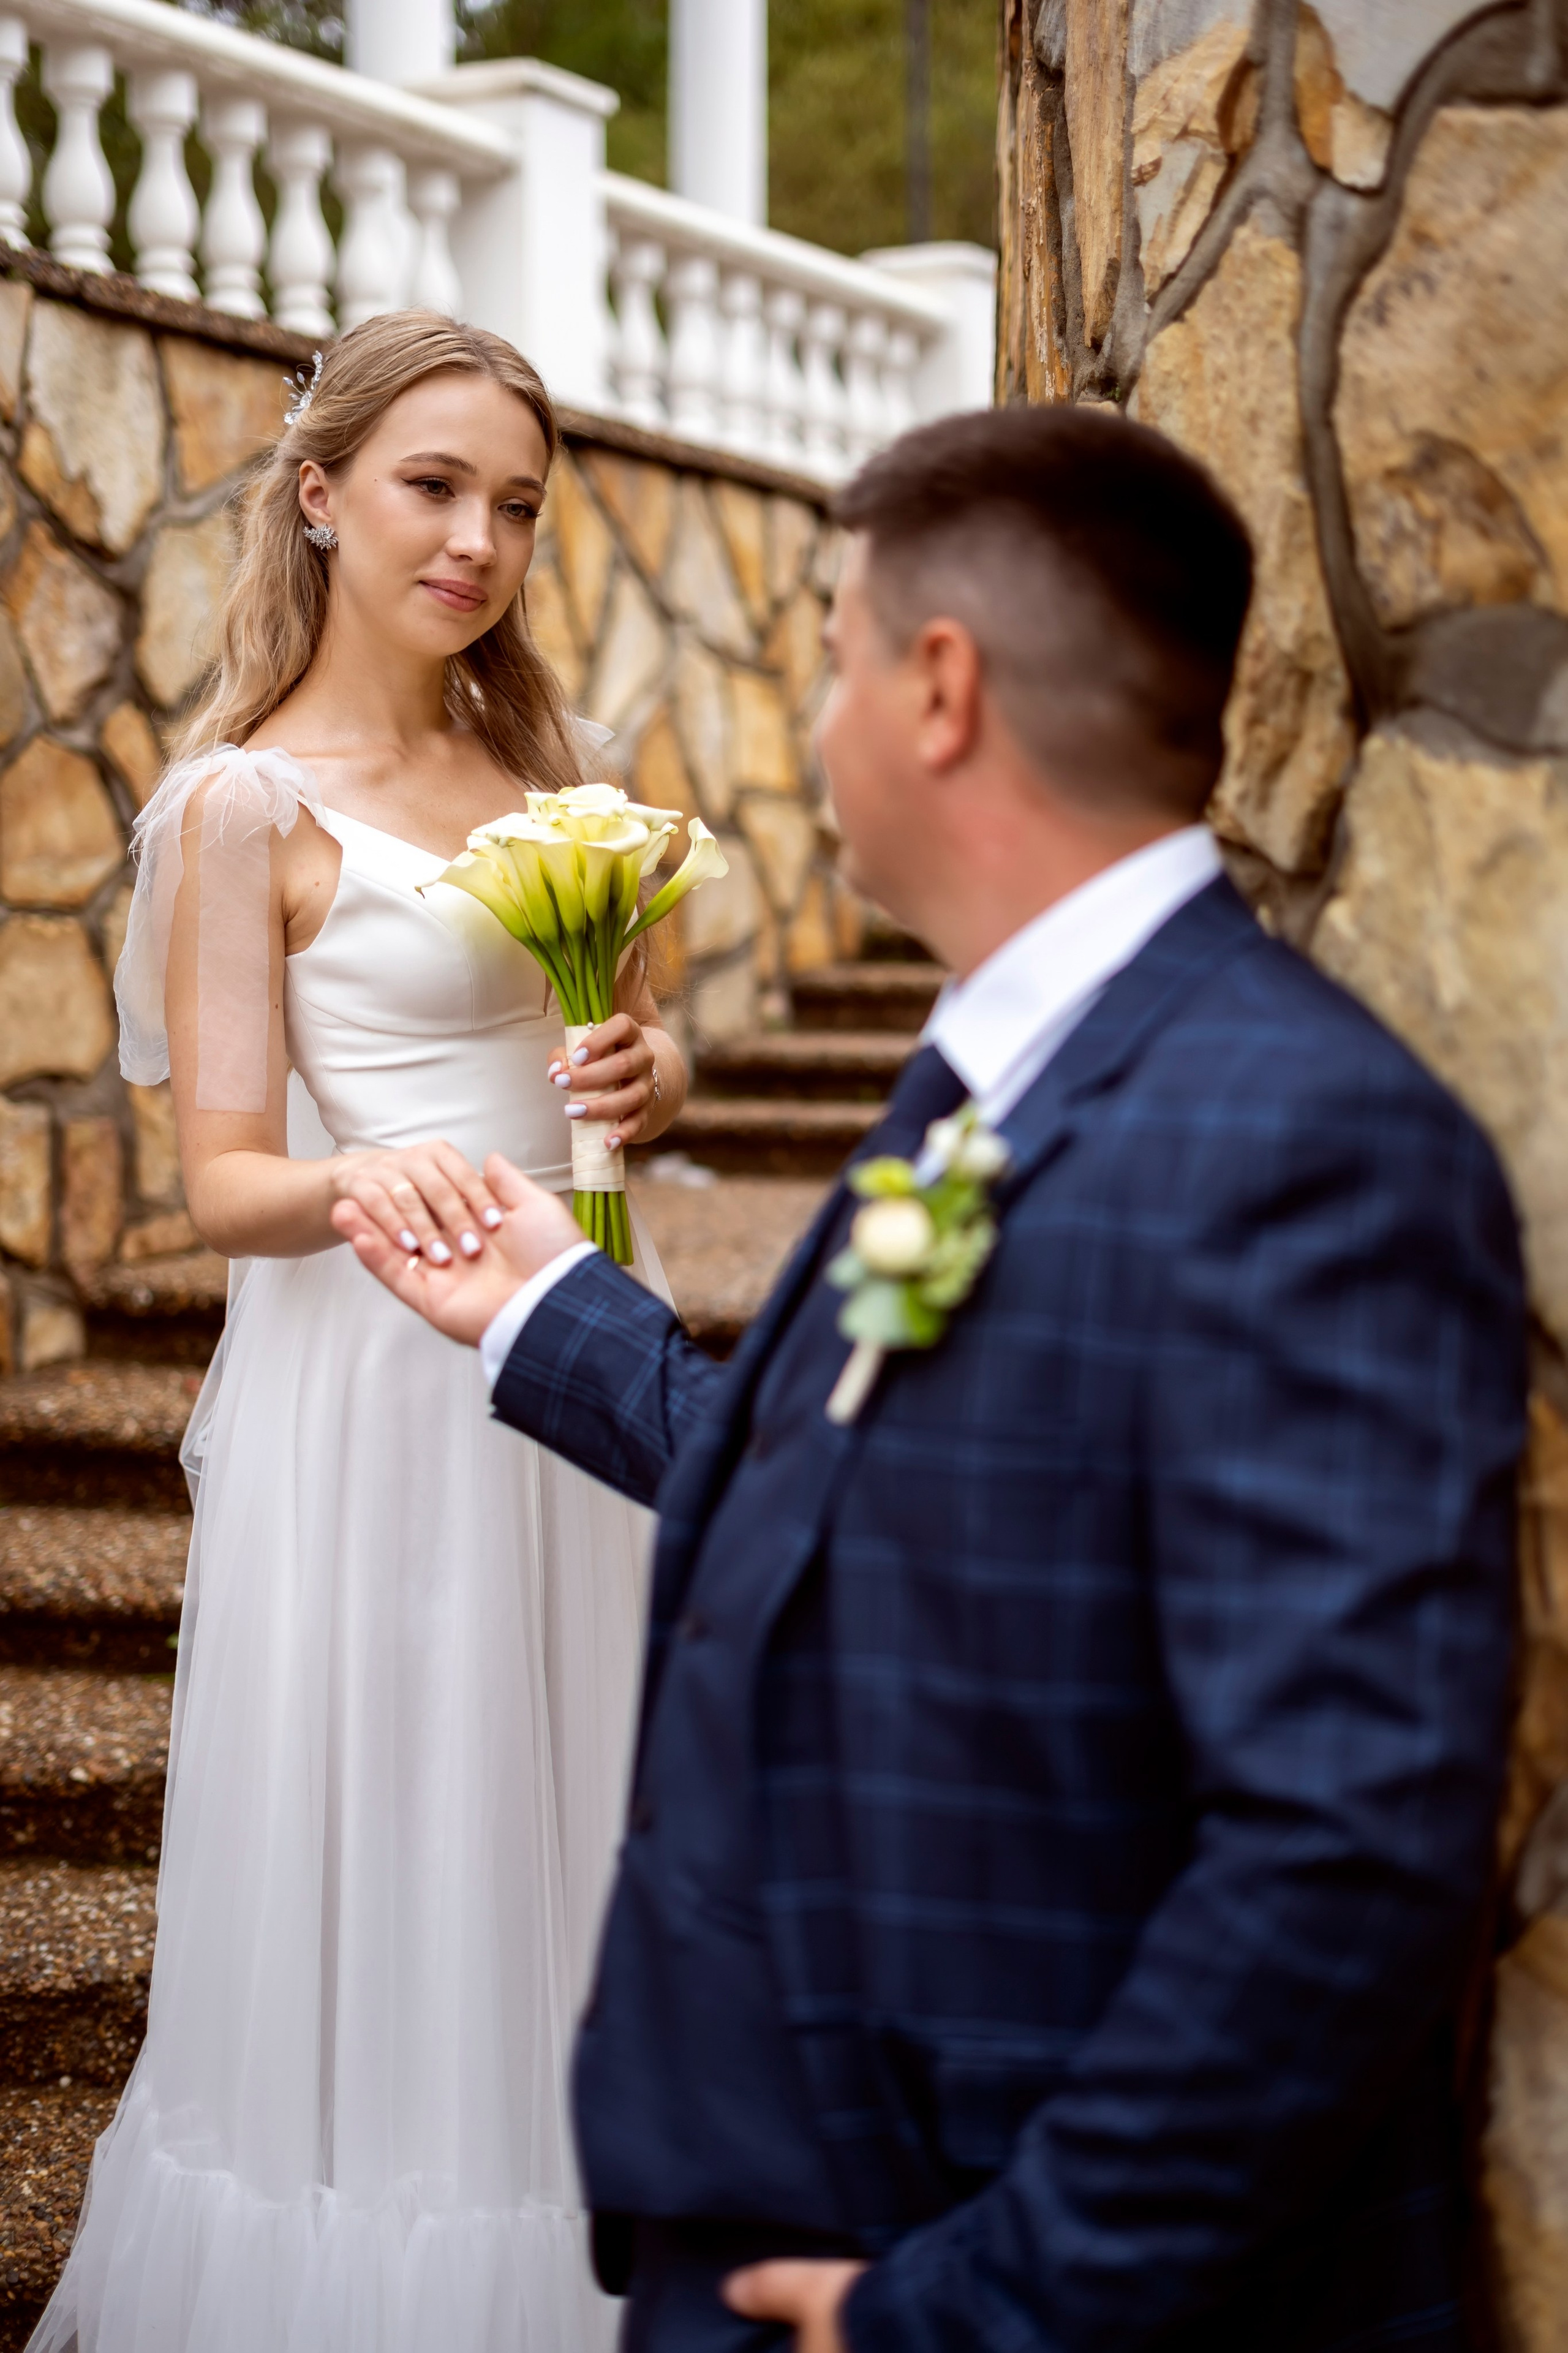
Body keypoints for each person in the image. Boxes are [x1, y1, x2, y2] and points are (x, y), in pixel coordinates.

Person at [337, 405, 1528, 2353]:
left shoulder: (1305, 1144)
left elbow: (1344, 1853)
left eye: (832, 658)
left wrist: (967, 2305)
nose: (817, 726)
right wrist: (556, 1313)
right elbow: (869, 1506)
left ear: (944, 688)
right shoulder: (992, 1079)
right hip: (791, 2203)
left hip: (960, 2255)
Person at [31, 315, 687, 2353]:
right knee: (409, 1814)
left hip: (571, 1349)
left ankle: (594, 2226)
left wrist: (643, 1079)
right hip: (372, 1385)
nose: (478, 539)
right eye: (433, 486)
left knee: (574, 1804)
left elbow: (605, 1069)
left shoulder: (563, 786)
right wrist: (371, 1183)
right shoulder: (240, 809)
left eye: (514, 502)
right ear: (319, 494)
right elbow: (221, 1179)